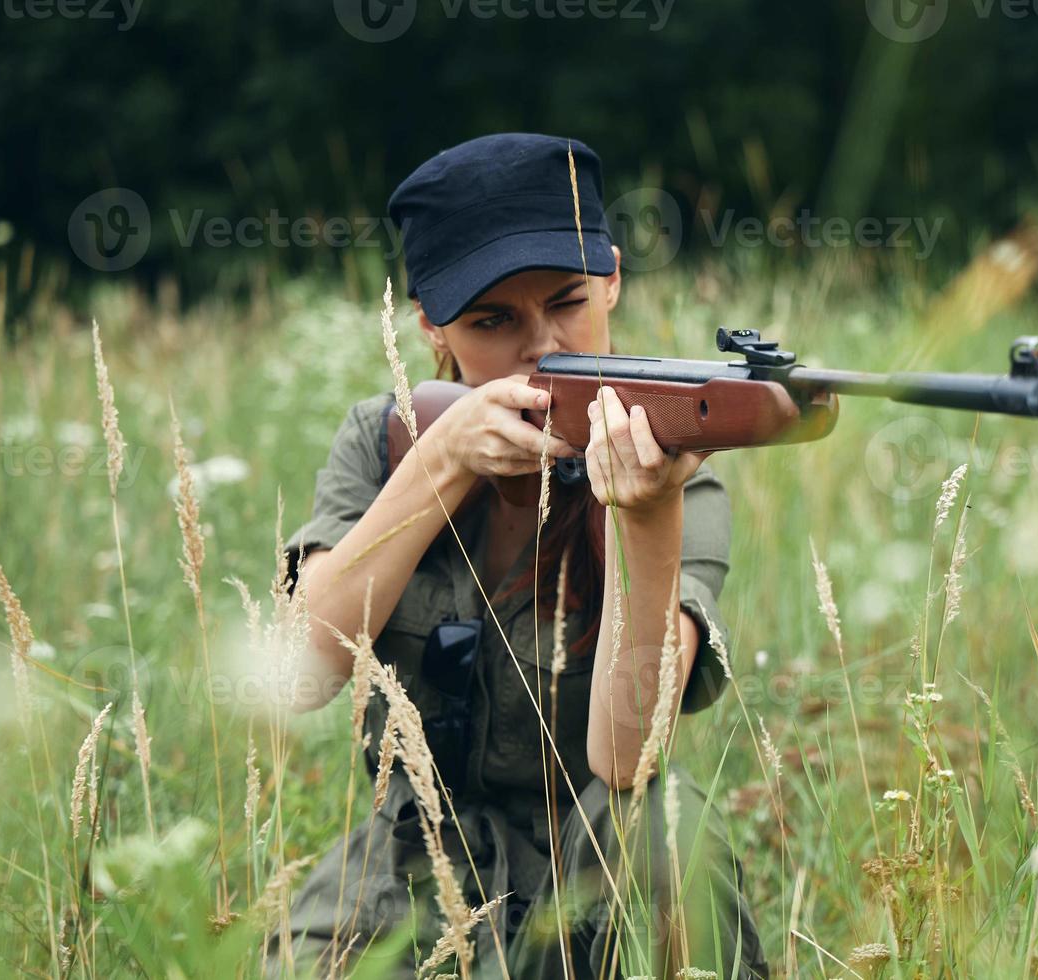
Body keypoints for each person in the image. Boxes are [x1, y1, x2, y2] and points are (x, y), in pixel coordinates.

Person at [268, 133, 769, 979]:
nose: (543, 344)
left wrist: (644, 515)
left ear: (612, 276)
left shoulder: (678, 474)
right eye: (493, 321)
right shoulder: (389, 440)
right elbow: (301, 672)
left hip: (595, 863)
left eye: (569, 301)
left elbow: (627, 760)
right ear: (430, 320)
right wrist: (440, 464)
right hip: (413, 858)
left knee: (660, 830)